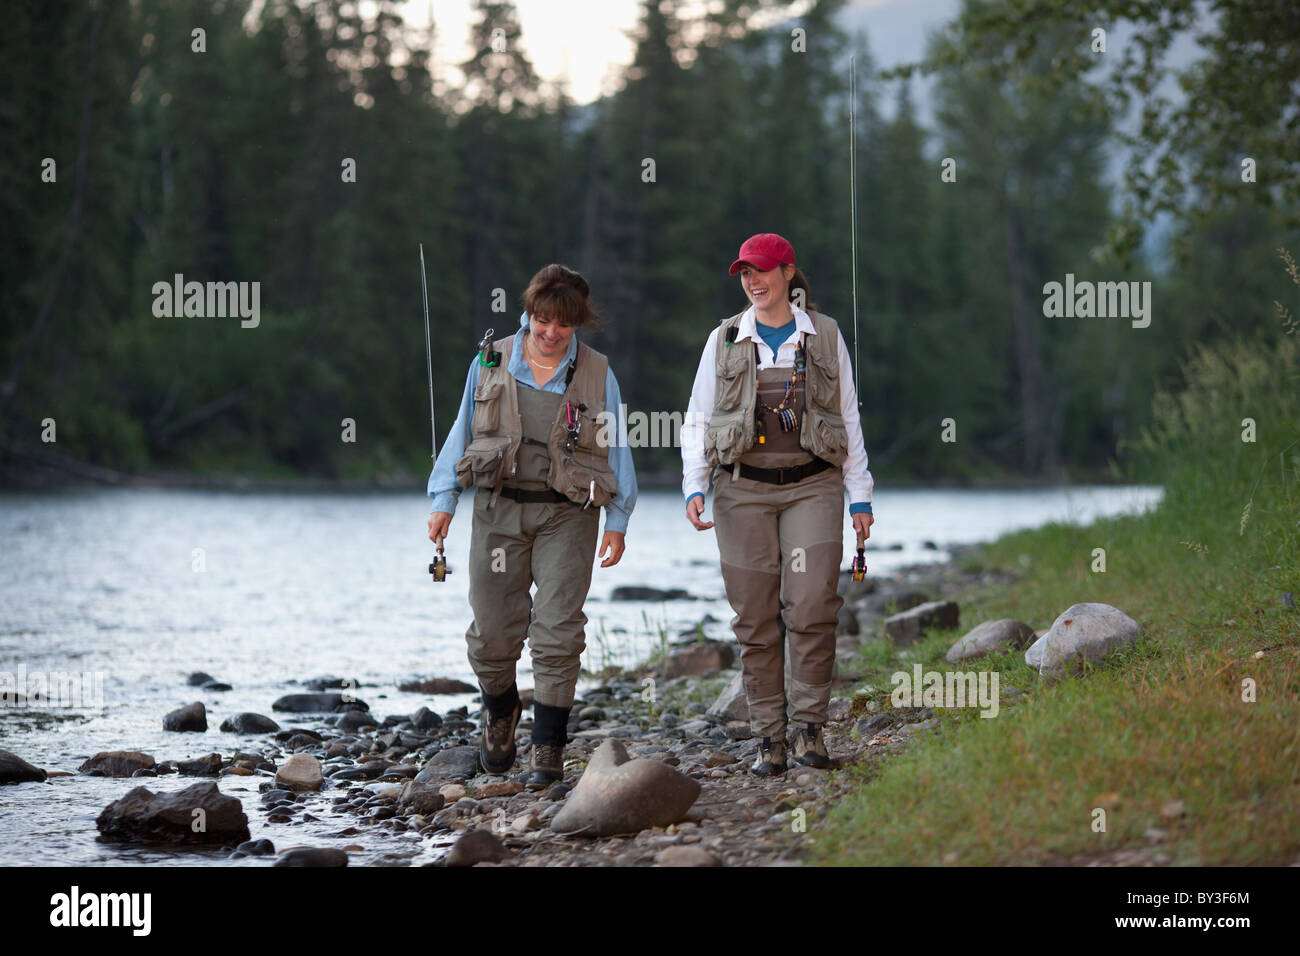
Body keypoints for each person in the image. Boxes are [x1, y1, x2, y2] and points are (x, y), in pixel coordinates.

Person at [427, 264, 637, 788]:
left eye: (561, 326)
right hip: (497, 509)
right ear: (529, 313)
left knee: (558, 629)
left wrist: (619, 518)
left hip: (568, 514)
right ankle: (501, 712)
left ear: (577, 324)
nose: (549, 333)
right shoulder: (490, 359)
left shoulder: (597, 373)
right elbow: (461, 429)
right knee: (492, 633)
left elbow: (619, 446)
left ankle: (549, 747)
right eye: (542, 320)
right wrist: (443, 498)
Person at [681, 233, 874, 776]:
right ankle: (769, 738)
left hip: (814, 484)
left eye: (763, 271)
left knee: (813, 605)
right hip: (740, 491)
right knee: (755, 618)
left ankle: (810, 729)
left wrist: (860, 495)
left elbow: (850, 418)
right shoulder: (722, 340)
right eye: (745, 273)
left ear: (789, 272)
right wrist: (694, 486)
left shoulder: (826, 335)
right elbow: (697, 419)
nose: (752, 281)